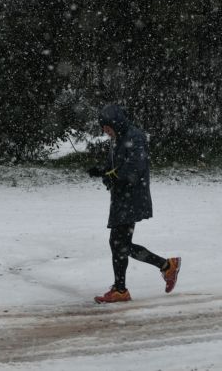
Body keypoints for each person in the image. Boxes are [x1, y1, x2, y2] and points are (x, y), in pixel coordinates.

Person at [88, 104, 181, 303]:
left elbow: (135, 168)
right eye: (103, 128)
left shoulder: (134, 137)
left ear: (115, 122)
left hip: (132, 198)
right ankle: (165, 267)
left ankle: (124, 289)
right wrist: (102, 172)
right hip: (122, 198)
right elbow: (112, 165)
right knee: (119, 243)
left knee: (119, 243)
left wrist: (113, 177)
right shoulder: (118, 139)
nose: (105, 131)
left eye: (107, 127)